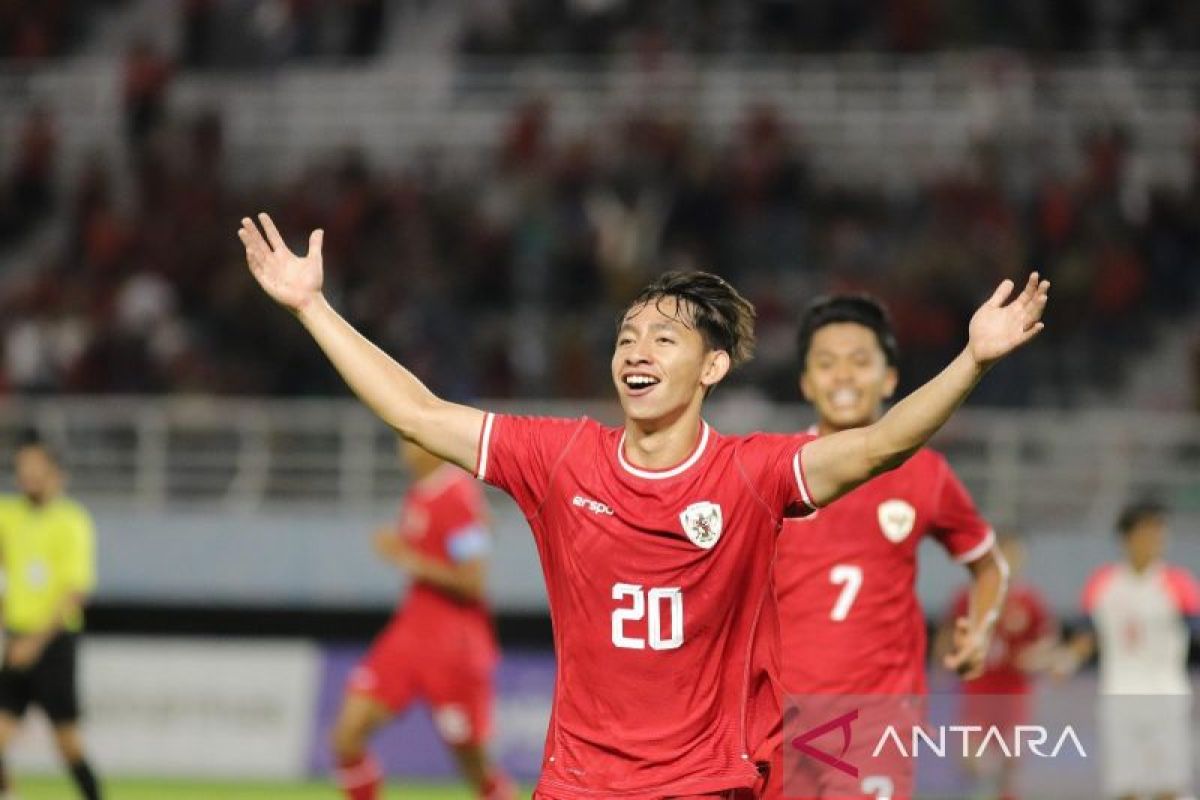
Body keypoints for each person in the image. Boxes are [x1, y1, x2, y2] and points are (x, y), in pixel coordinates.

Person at [238, 211, 1048, 798]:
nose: (637, 350)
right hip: (576, 784)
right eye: (628, 336)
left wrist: (972, 360)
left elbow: (877, 447)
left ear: (713, 369)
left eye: (664, 338)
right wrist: (313, 307)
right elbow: (416, 412)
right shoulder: (560, 458)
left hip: (703, 785)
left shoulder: (749, 476)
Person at [775, 295, 1009, 800]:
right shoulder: (773, 469)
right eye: (826, 363)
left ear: (888, 378)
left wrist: (981, 630)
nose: (843, 376)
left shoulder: (925, 474)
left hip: (875, 714)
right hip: (775, 714)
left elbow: (989, 567)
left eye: (860, 362)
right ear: (806, 381)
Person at [330, 439, 513, 800]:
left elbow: (472, 581)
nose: (403, 449)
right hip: (410, 632)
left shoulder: (458, 497)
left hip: (455, 645)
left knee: (472, 763)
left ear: (433, 446)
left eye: (411, 441)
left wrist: (405, 557)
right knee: (347, 734)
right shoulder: (420, 494)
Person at [1056, 501, 1199, 800]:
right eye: (1147, 533)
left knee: (1169, 786)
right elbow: (1086, 635)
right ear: (1126, 538)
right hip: (1118, 696)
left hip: (1167, 695)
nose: (1155, 541)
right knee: (1124, 787)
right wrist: (1067, 660)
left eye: (1160, 534)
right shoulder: (1103, 583)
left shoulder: (1179, 584)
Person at [0, 436, 102, 800]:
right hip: (17, 638)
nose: (26, 476)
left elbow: (76, 592)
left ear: (55, 474)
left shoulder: (72, 521)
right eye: (22, 469)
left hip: (54, 643)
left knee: (68, 743)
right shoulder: (8, 514)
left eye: (35, 469)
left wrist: (34, 643)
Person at [938, 532, 1056, 800]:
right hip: (979, 691)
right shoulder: (969, 596)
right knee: (972, 761)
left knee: (1011, 762)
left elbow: (1047, 642)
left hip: (1015, 693)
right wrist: (946, 664)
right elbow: (947, 638)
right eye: (1005, 554)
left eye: (1016, 555)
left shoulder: (1030, 601)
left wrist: (1038, 657)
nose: (1011, 561)